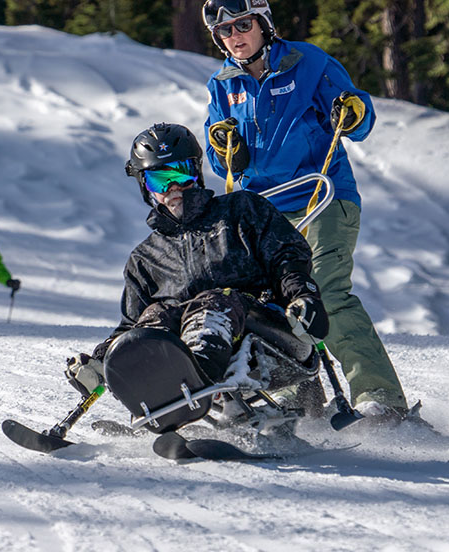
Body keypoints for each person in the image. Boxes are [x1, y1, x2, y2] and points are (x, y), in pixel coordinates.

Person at [198, 0, 408, 423]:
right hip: (266, 211)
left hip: (323, 194)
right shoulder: (222, 85)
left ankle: (381, 399)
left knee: (325, 291)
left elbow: (361, 119)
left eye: (242, 25)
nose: (234, 37)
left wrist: (352, 110)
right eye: (224, 32)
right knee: (272, 301)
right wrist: (224, 147)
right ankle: (300, 398)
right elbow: (222, 162)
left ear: (263, 22)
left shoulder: (306, 62)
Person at [64, 123, 329, 413]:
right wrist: (104, 361)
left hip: (271, 340)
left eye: (181, 173)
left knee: (214, 300)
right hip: (192, 351)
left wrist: (303, 295)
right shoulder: (145, 258)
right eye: (160, 180)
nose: (173, 188)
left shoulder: (241, 210)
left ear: (197, 173)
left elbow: (287, 257)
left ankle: (196, 383)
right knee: (154, 317)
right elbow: (132, 326)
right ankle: (159, 395)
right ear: (145, 187)